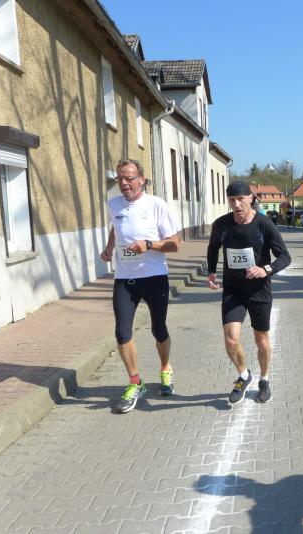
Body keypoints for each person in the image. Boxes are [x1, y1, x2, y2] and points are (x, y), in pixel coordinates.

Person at [100, 159, 180, 413]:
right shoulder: (114, 204)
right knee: (122, 332)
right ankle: (136, 382)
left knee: (159, 329)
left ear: (141, 180)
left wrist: (149, 245)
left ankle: (165, 368)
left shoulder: (156, 205)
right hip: (124, 278)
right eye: (120, 179)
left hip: (154, 276)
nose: (123, 183)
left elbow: (174, 244)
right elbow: (116, 227)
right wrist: (109, 247)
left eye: (129, 178)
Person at [207, 181, 291, 405]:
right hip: (233, 291)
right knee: (231, 339)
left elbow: (285, 257)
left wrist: (265, 270)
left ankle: (264, 380)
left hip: (259, 291)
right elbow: (213, 247)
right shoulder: (221, 225)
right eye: (232, 200)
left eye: (240, 199)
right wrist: (211, 271)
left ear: (251, 198)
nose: (236, 204)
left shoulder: (264, 224)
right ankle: (244, 375)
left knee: (261, 340)